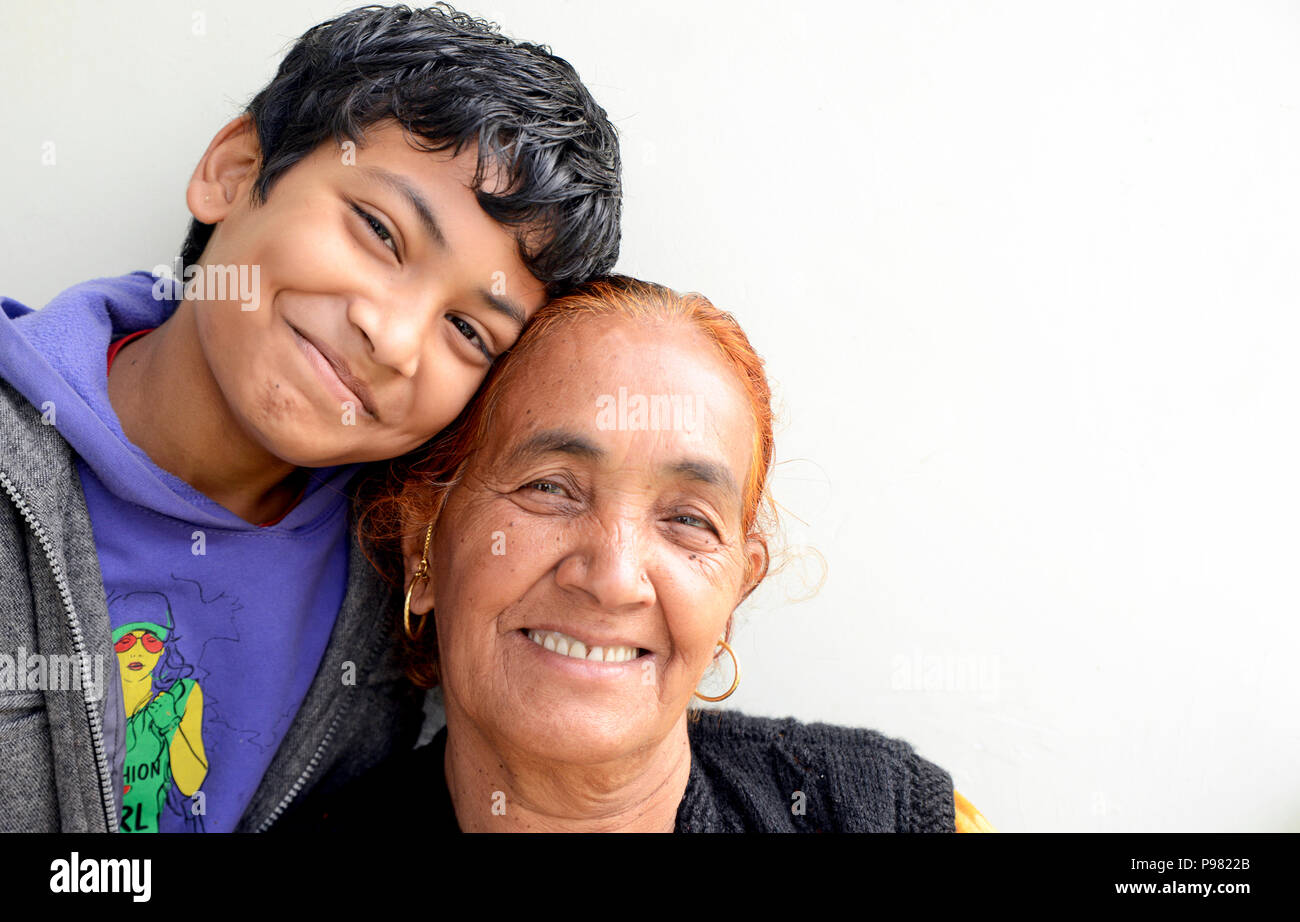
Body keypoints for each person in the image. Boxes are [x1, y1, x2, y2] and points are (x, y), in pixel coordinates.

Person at [0, 3, 620, 832]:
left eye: (468, 330)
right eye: (378, 231)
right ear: (234, 171)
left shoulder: (410, 571)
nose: (394, 339)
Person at [286, 277, 996, 832]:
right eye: (551, 488)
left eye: (688, 520)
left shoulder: (884, 814)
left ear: (734, 596)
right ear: (423, 541)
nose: (614, 578)